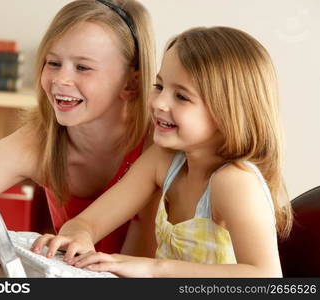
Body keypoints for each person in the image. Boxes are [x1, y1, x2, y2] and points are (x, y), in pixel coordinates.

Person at [31, 26, 294, 277]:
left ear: (228, 112)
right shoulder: (164, 161)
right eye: (159, 86)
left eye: (181, 96)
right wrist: (78, 235)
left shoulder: (235, 181)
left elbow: (265, 275)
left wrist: (154, 269)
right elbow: (89, 222)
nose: (158, 102)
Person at [0, 0, 159, 257]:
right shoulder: (37, 142)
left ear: (131, 83)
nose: (61, 79)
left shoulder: (160, 135)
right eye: (53, 63)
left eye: (83, 67)